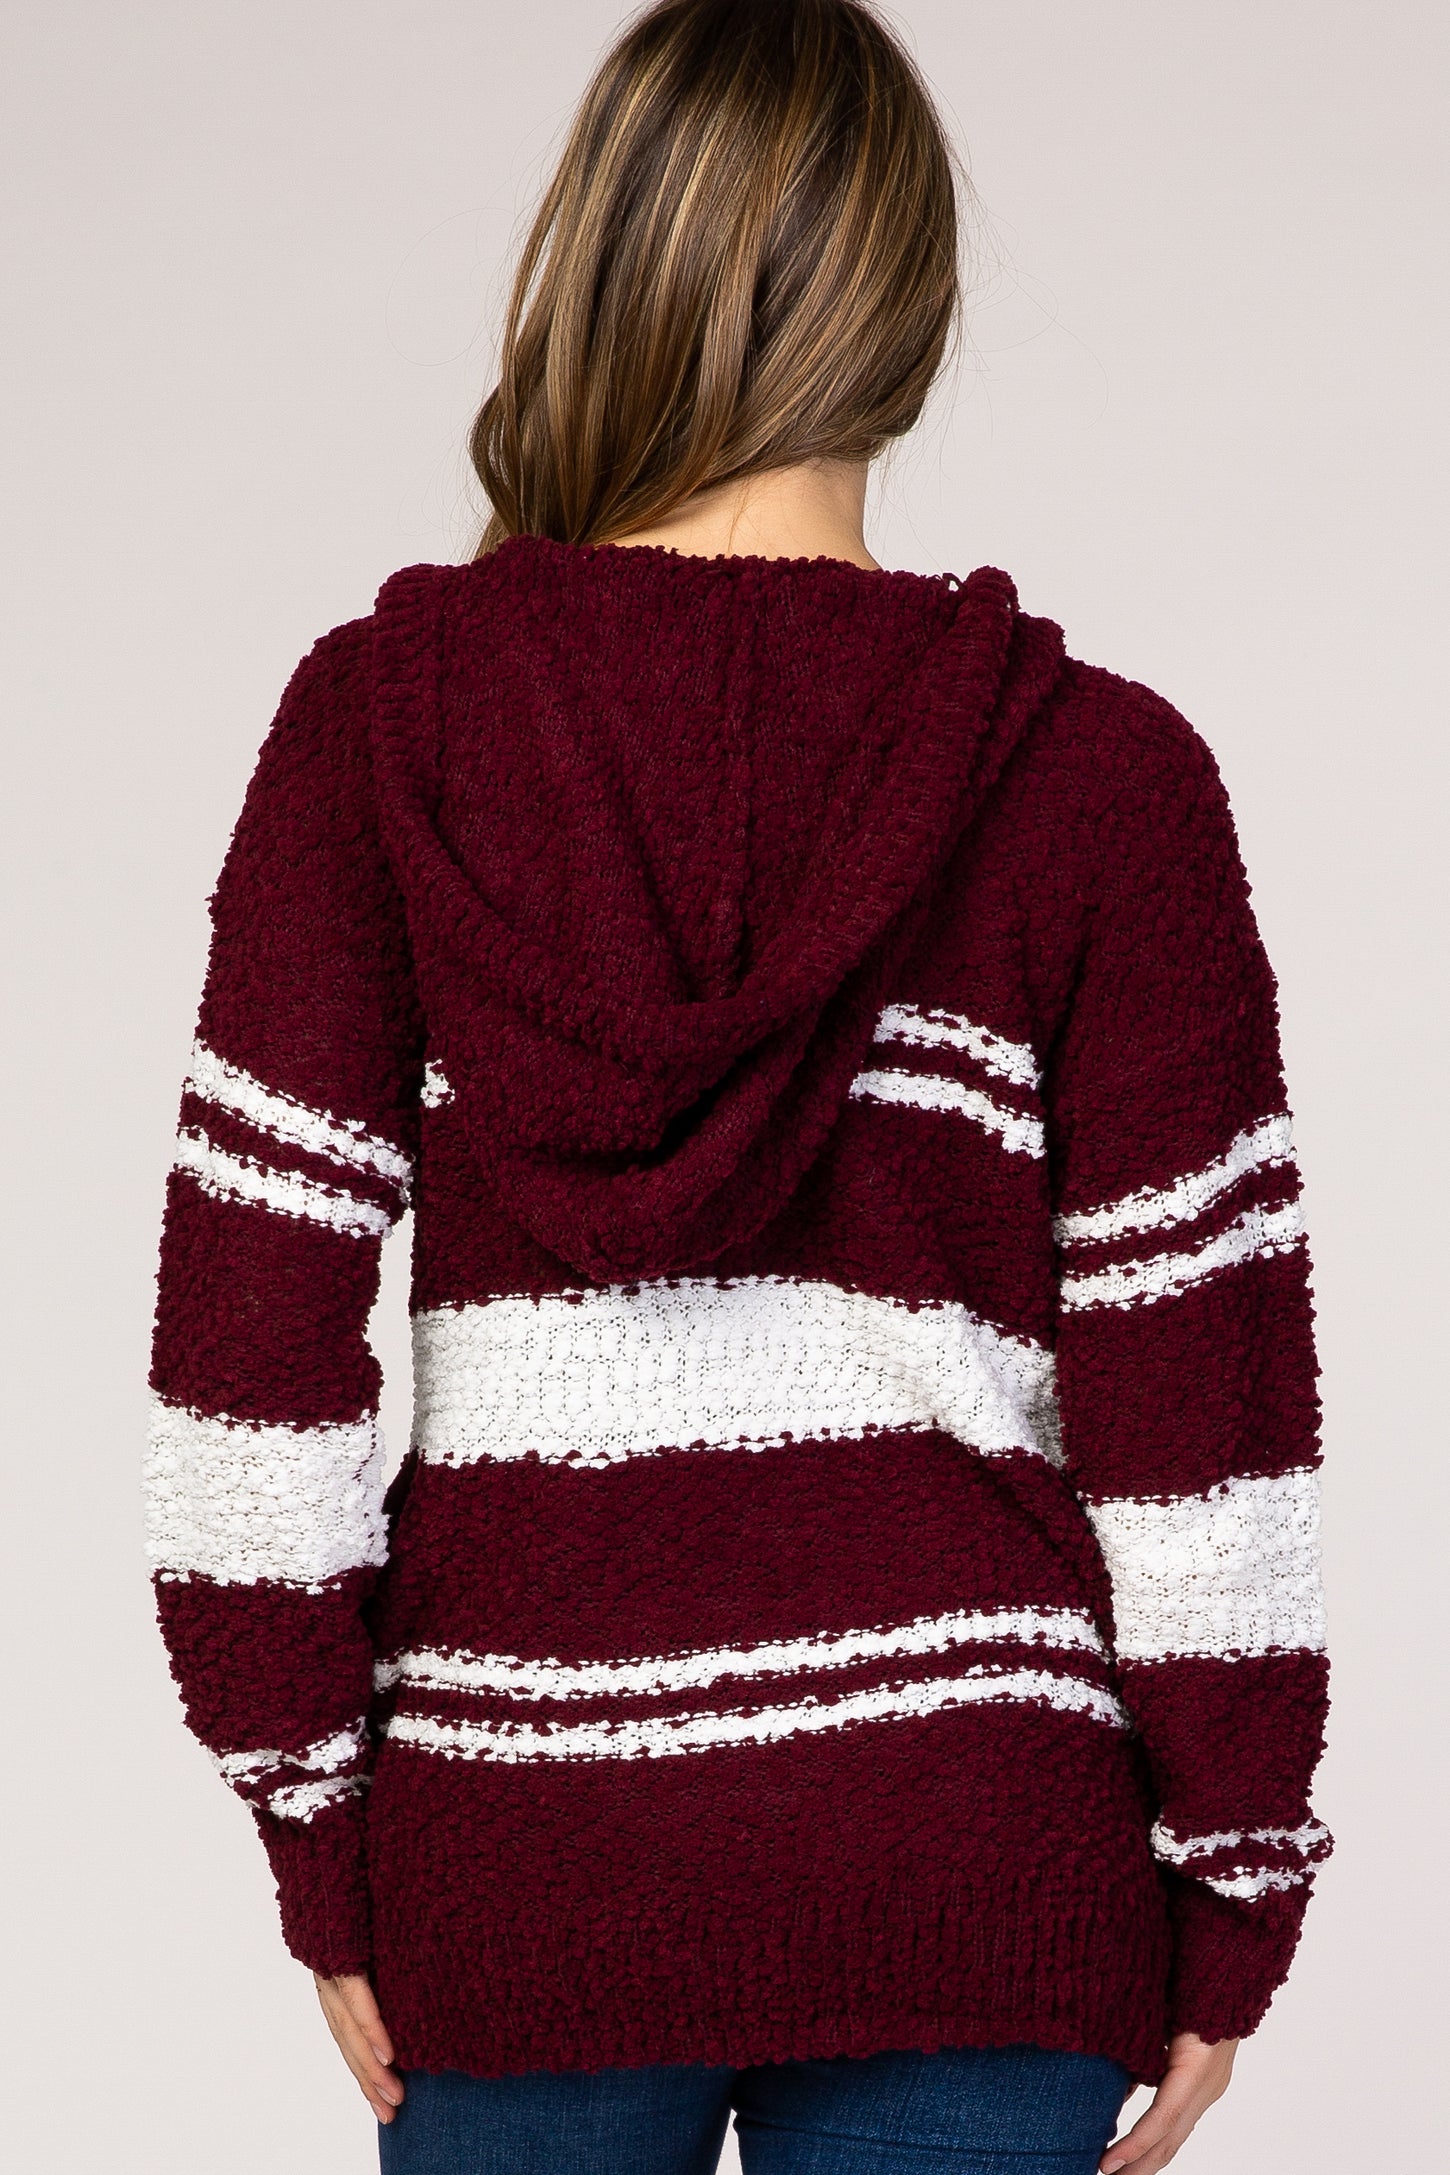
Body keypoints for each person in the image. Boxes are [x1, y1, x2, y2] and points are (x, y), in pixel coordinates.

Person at [143, 3, 1331, 2170]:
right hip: (977, 1848)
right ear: (907, 309)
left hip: (521, 1842)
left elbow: (246, 1371)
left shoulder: (382, 729)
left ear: (597, 270)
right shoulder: (1097, 774)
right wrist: (1232, 1868)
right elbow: (1203, 1405)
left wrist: (312, 1811)